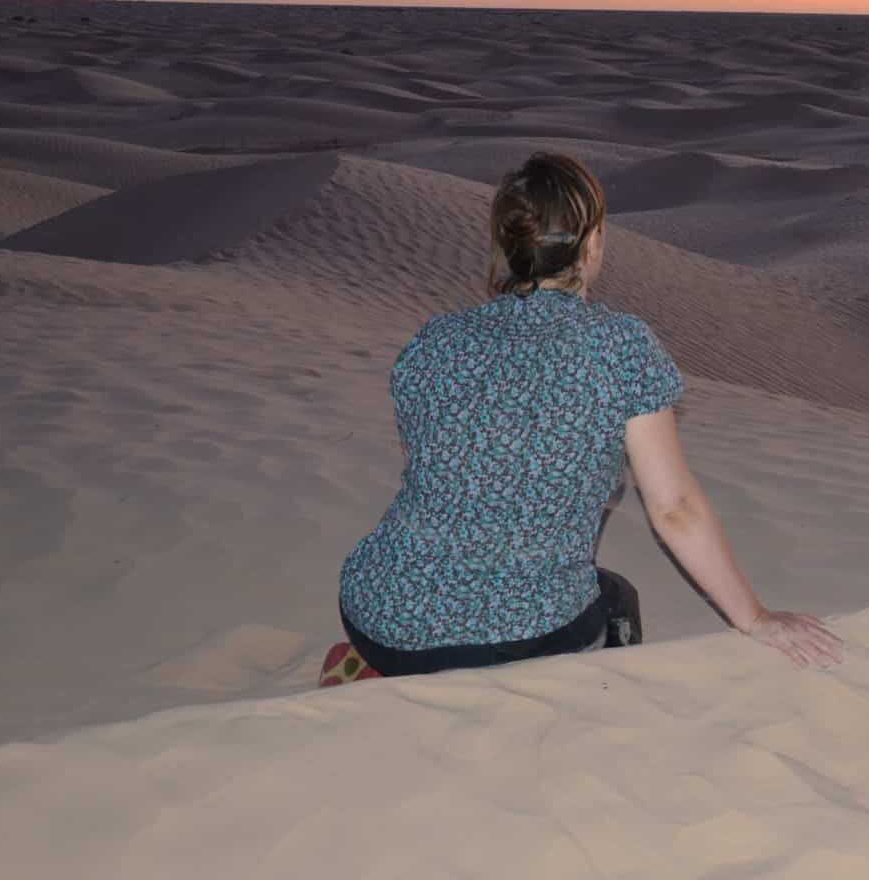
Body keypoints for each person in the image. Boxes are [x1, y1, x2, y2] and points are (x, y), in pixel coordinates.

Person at [332, 151, 842, 680]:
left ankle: (379, 669)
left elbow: (440, 466)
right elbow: (674, 509)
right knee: (615, 598)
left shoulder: (433, 343)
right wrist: (756, 619)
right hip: (521, 637)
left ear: (505, 245)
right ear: (592, 243)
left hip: (381, 614)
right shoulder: (620, 347)